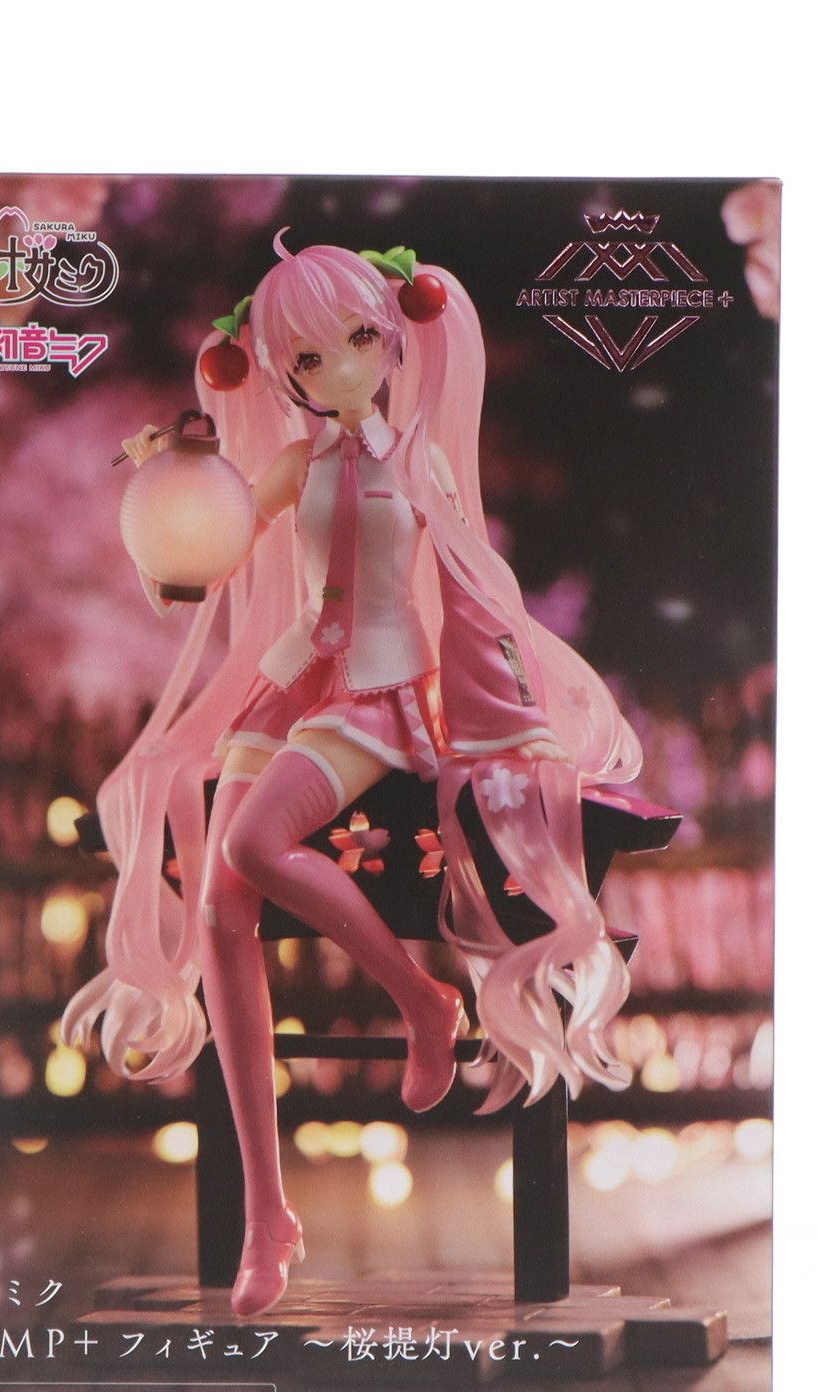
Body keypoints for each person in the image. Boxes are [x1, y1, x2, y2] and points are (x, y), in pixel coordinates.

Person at [63, 233, 647, 1314]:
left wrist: (512, 711)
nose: (333, 370)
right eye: (303, 360)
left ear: (390, 341)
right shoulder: (300, 467)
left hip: (378, 696)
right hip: (290, 687)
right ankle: (268, 1216)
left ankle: (422, 999)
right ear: (279, 373)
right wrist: (168, 540)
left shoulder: (416, 462)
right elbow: (219, 550)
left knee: (249, 844)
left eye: (354, 342)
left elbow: (474, 588)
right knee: (221, 910)